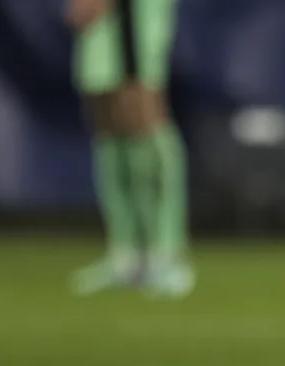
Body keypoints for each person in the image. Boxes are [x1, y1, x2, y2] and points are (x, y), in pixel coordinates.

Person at [66, 0, 193, 298]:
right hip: (100, 34)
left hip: (133, 19)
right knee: (110, 134)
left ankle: (167, 254)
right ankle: (126, 255)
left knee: (146, 124)